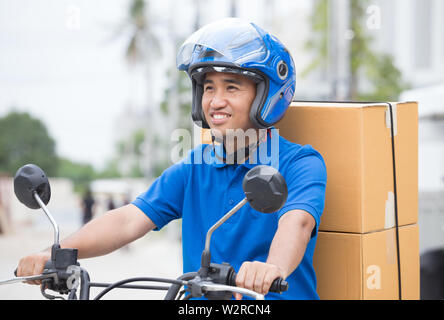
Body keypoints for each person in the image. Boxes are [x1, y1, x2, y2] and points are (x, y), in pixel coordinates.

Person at [15, 18, 326, 300]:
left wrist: (271, 268)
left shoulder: (301, 163)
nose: (215, 101)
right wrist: (55, 255)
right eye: (208, 88)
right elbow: (128, 220)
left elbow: (296, 224)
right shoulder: (195, 166)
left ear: (267, 96)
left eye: (231, 87)